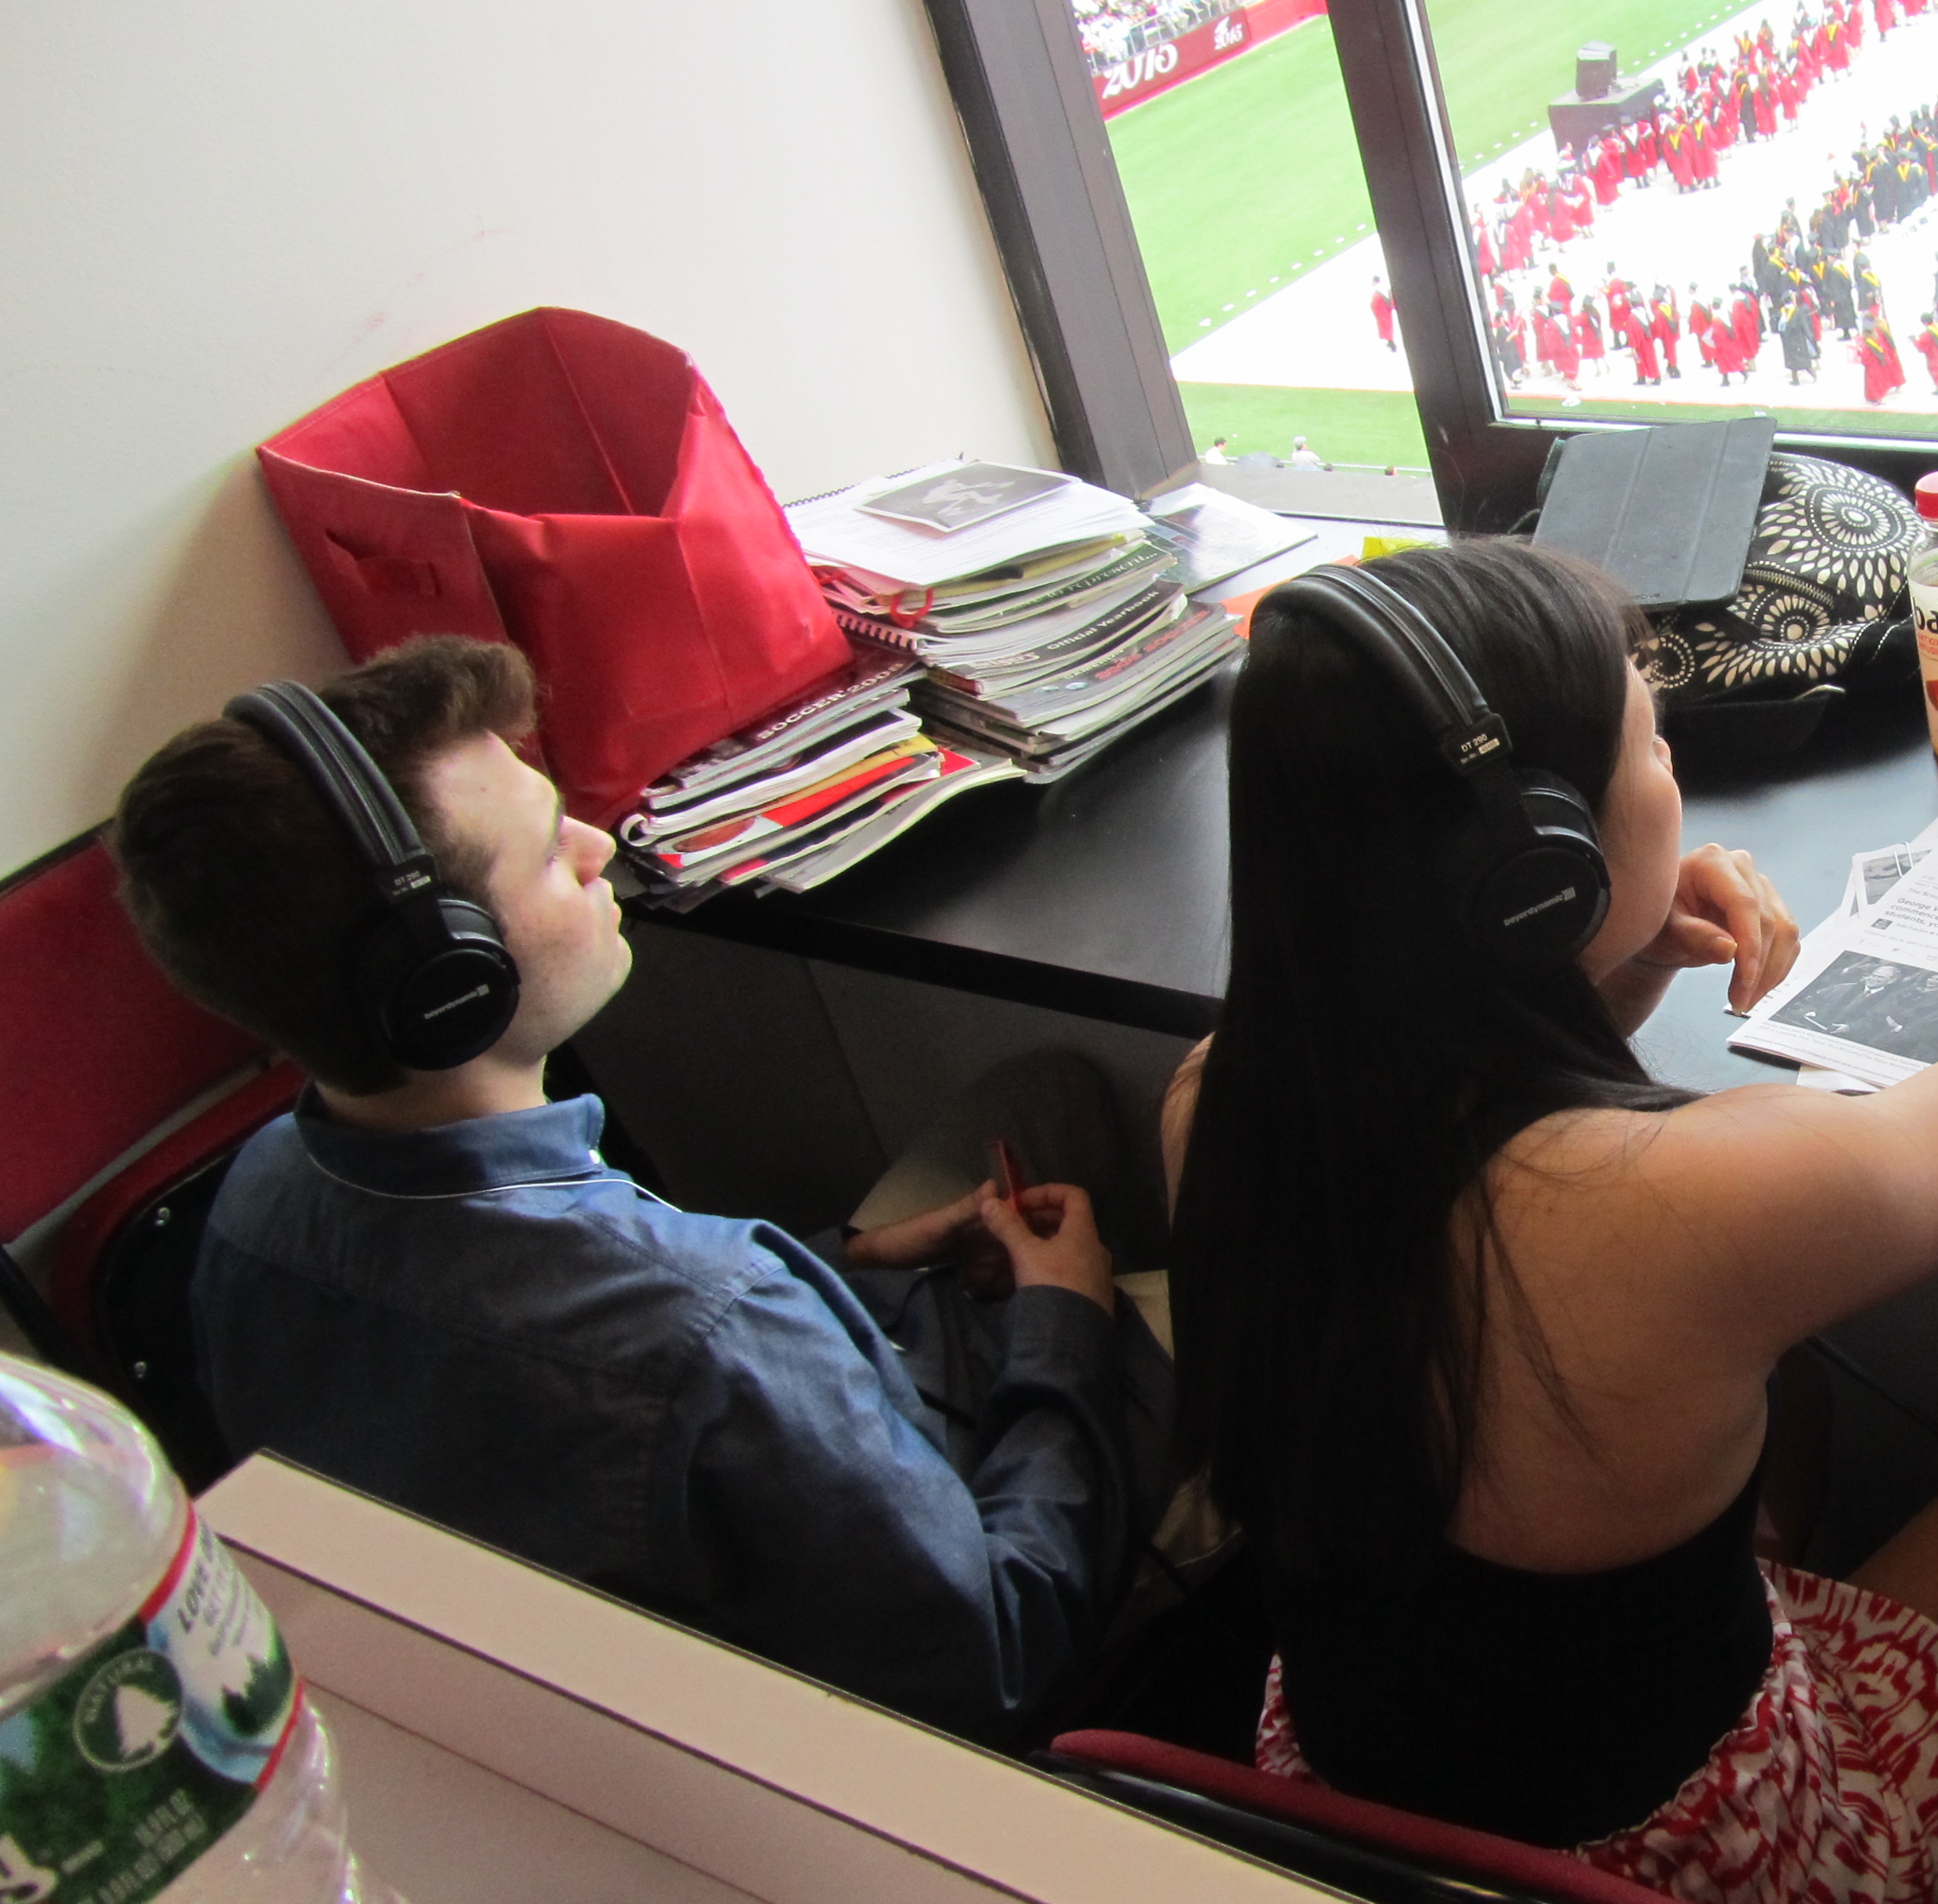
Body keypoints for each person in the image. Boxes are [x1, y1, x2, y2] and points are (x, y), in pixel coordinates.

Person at [1167, 543, 1938, 1897]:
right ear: (1537, 868)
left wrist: (1589, 966)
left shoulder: (1220, 1101)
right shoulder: (1687, 1203)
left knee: (1781, 1398)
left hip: (1363, 1818)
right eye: (1657, 743)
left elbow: (1476, 1164)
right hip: (1710, 1869)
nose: (1674, 771)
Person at [114, 638, 1166, 1745]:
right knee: (1262, 1303)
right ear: (448, 982)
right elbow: (1003, 1651)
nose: (597, 842)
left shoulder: (258, 1204)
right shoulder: (708, 1324)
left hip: (664, 1600)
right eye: (542, 853)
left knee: (1041, 1094)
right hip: (988, 1612)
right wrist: (1066, 1323)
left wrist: (843, 1269)